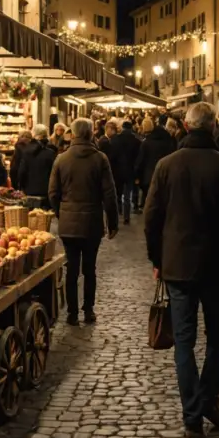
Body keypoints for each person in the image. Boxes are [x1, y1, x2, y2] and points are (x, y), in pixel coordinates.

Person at [144, 102, 219, 438]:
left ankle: (193, 415)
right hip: (216, 263)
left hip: (177, 265)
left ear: (187, 128)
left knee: (184, 342)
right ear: (214, 127)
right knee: (216, 338)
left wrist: (157, 259)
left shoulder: (166, 166)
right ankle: (208, 402)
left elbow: (152, 219)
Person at [48, 117, 118, 325]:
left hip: (69, 224)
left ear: (73, 134)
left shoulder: (61, 159)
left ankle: (71, 313)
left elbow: (52, 193)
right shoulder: (100, 159)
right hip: (92, 222)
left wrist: (62, 213)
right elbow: (109, 194)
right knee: (89, 269)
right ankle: (88, 310)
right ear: (90, 134)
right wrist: (113, 222)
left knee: (72, 269)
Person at [135, 118, 175, 208]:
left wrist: (137, 175)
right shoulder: (167, 141)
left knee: (151, 202)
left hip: (148, 176)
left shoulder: (146, 143)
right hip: (165, 175)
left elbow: (141, 161)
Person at [109, 120, 142, 224]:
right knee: (127, 195)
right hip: (130, 171)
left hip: (117, 171)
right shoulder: (137, 141)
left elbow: (112, 157)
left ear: (122, 128)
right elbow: (138, 158)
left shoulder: (115, 139)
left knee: (118, 193)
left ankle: (119, 211)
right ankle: (126, 217)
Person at [17, 124, 57, 207]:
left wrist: (21, 187)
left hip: (30, 191)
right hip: (47, 191)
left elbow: (22, 172)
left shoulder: (27, 151)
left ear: (33, 134)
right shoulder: (52, 152)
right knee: (45, 216)